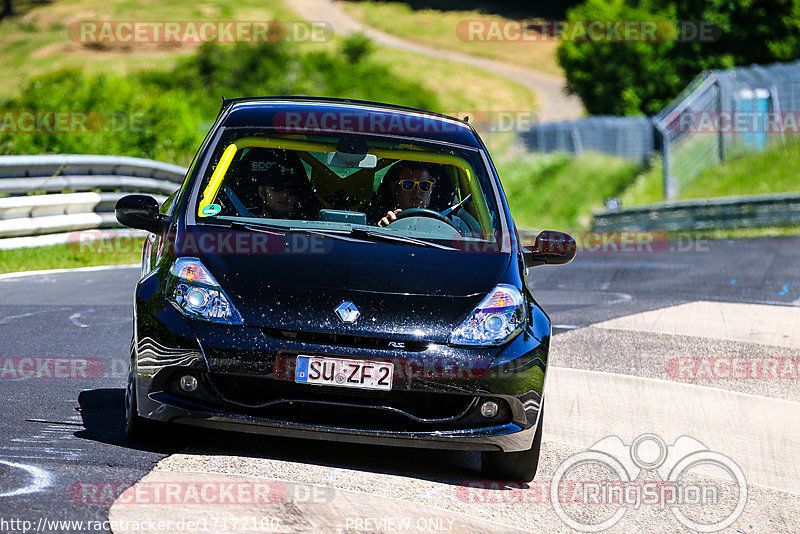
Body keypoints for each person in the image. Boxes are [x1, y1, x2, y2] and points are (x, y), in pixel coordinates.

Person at [238, 148, 319, 220]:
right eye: (278, 188)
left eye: (292, 190)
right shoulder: (239, 226)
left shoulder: (311, 229)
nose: (285, 195)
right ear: (262, 191)